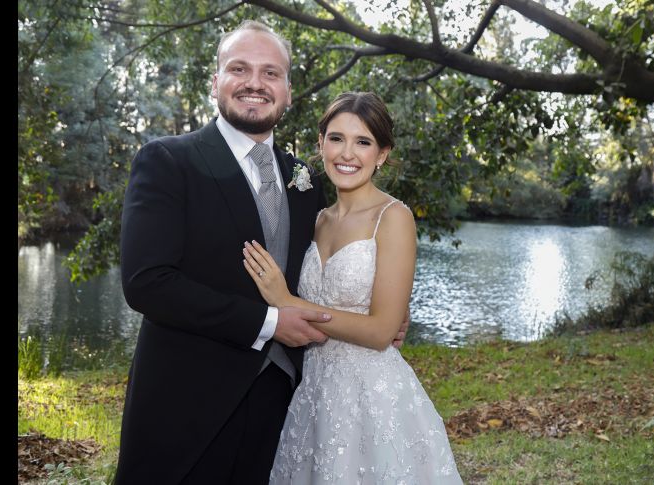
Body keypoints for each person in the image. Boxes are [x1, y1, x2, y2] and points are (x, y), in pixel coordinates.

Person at [115, 21, 408, 484]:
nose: (255, 83)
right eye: (239, 69)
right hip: (185, 406)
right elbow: (146, 283)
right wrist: (270, 322)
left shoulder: (305, 180)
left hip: (283, 404)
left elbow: (329, 266)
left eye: (271, 73)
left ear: (288, 91)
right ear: (215, 82)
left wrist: (382, 317)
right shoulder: (168, 161)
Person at [242, 91, 463, 483]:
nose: (347, 153)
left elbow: (381, 331)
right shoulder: (314, 217)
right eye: (337, 138)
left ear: (381, 154)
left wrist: (288, 302)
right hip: (314, 392)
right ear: (320, 144)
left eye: (363, 142)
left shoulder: (393, 217)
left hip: (373, 395)